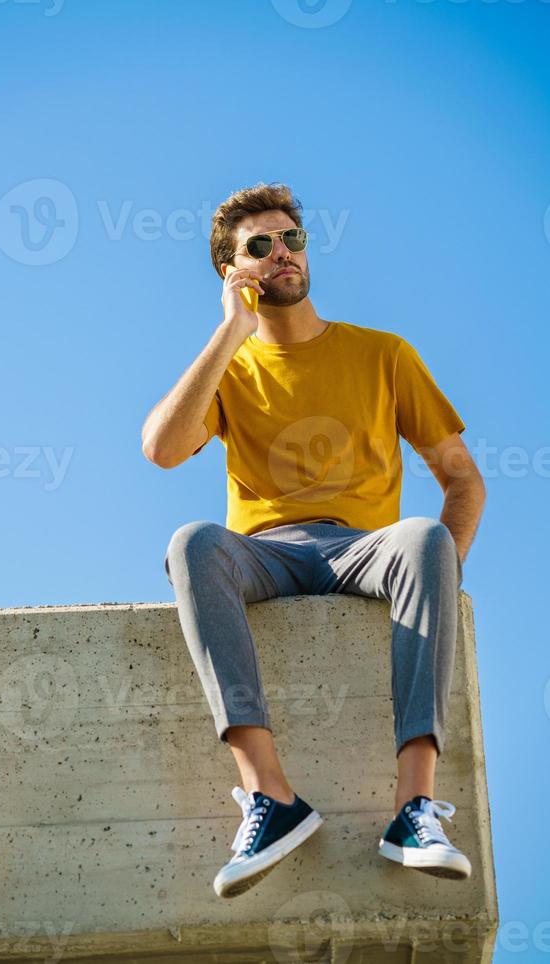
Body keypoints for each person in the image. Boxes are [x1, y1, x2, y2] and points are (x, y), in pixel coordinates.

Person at [141, 182, 486, 899]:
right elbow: (162, 449)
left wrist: (432, 579)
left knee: (426, 536)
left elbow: (463, 481)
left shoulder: (383, 353)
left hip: (365, 547)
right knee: (192, 542)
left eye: (292, 239)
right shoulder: (230, 369)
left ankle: (413, 808)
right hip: (264, 550)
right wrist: (230, 332)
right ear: (232, 271)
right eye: (259, 247)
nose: (282, 255)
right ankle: (271, 799)